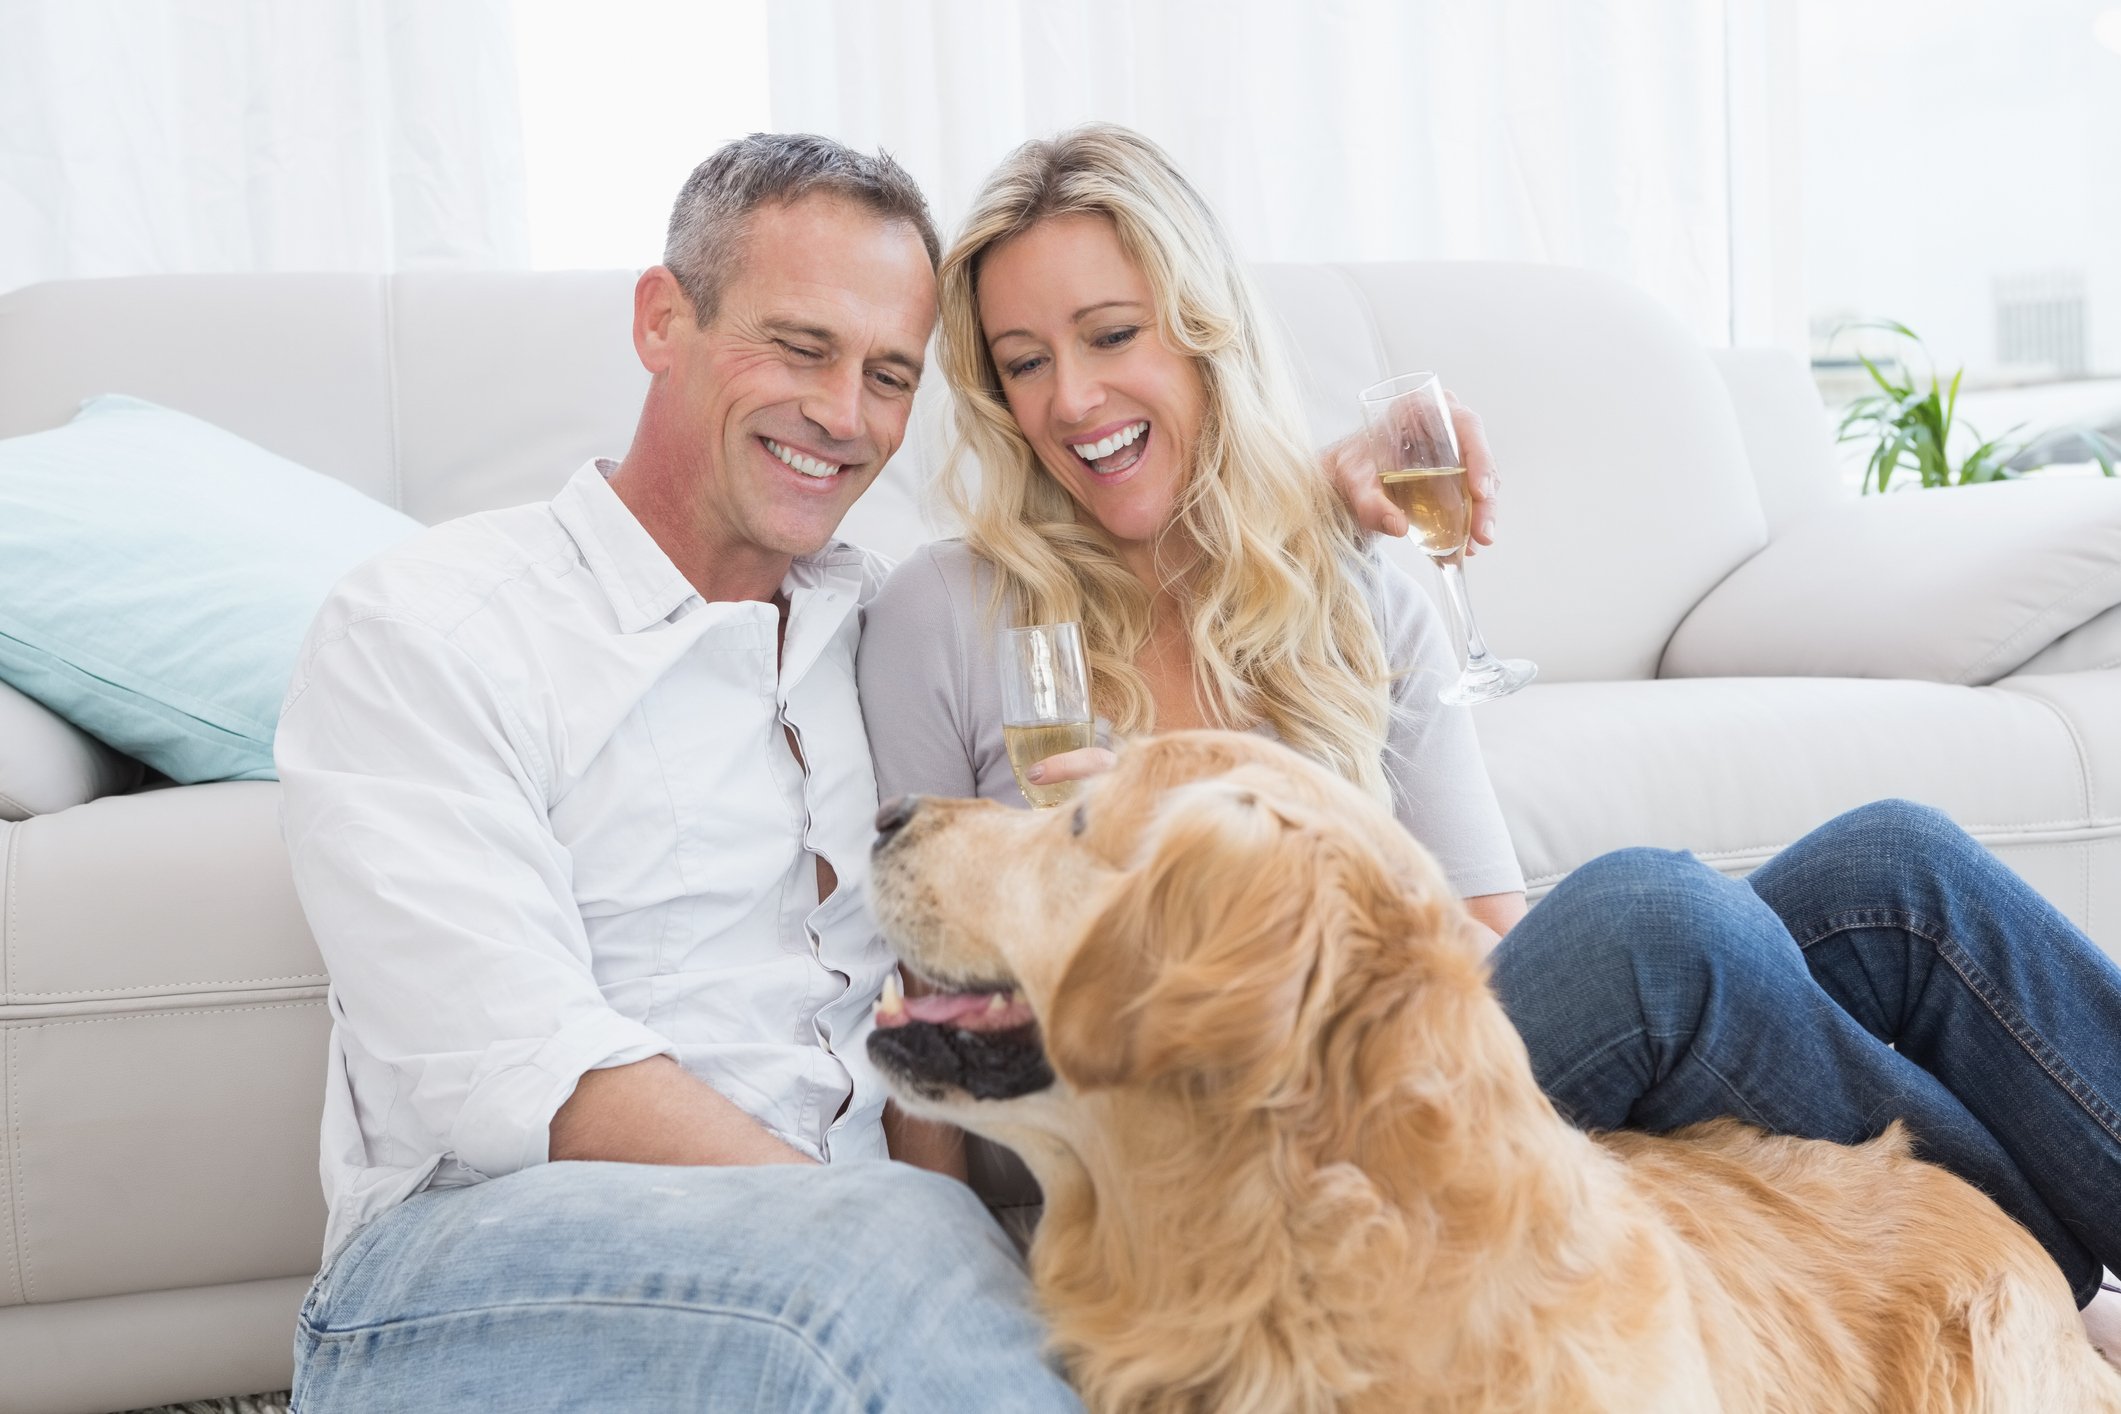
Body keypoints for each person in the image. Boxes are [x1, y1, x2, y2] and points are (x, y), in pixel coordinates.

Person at [857, 123, 2121, 1328]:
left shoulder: (1345, 577)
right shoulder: (945, 616)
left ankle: (2066, 1273)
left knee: (1891, 868)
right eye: (1024, 361)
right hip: (1220, 1155)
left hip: (1404, 1068)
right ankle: (2045, 1289)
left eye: (1111, 334)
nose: (1073, 398)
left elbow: (1479, 946)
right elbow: (926, 1010)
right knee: (1652, 919)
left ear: (1202, 331)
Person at [275, 134, 1091, 1412]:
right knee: (914, 1254)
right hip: (463, 1279)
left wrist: (1338, 494)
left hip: (855, 1288)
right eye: (801, 346)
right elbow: (514, 1065)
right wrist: (881, 1226)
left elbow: (1151, 559)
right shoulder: (429, 624)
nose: (846, 415)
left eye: (888, 374)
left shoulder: (875, 624)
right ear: (664, 319)